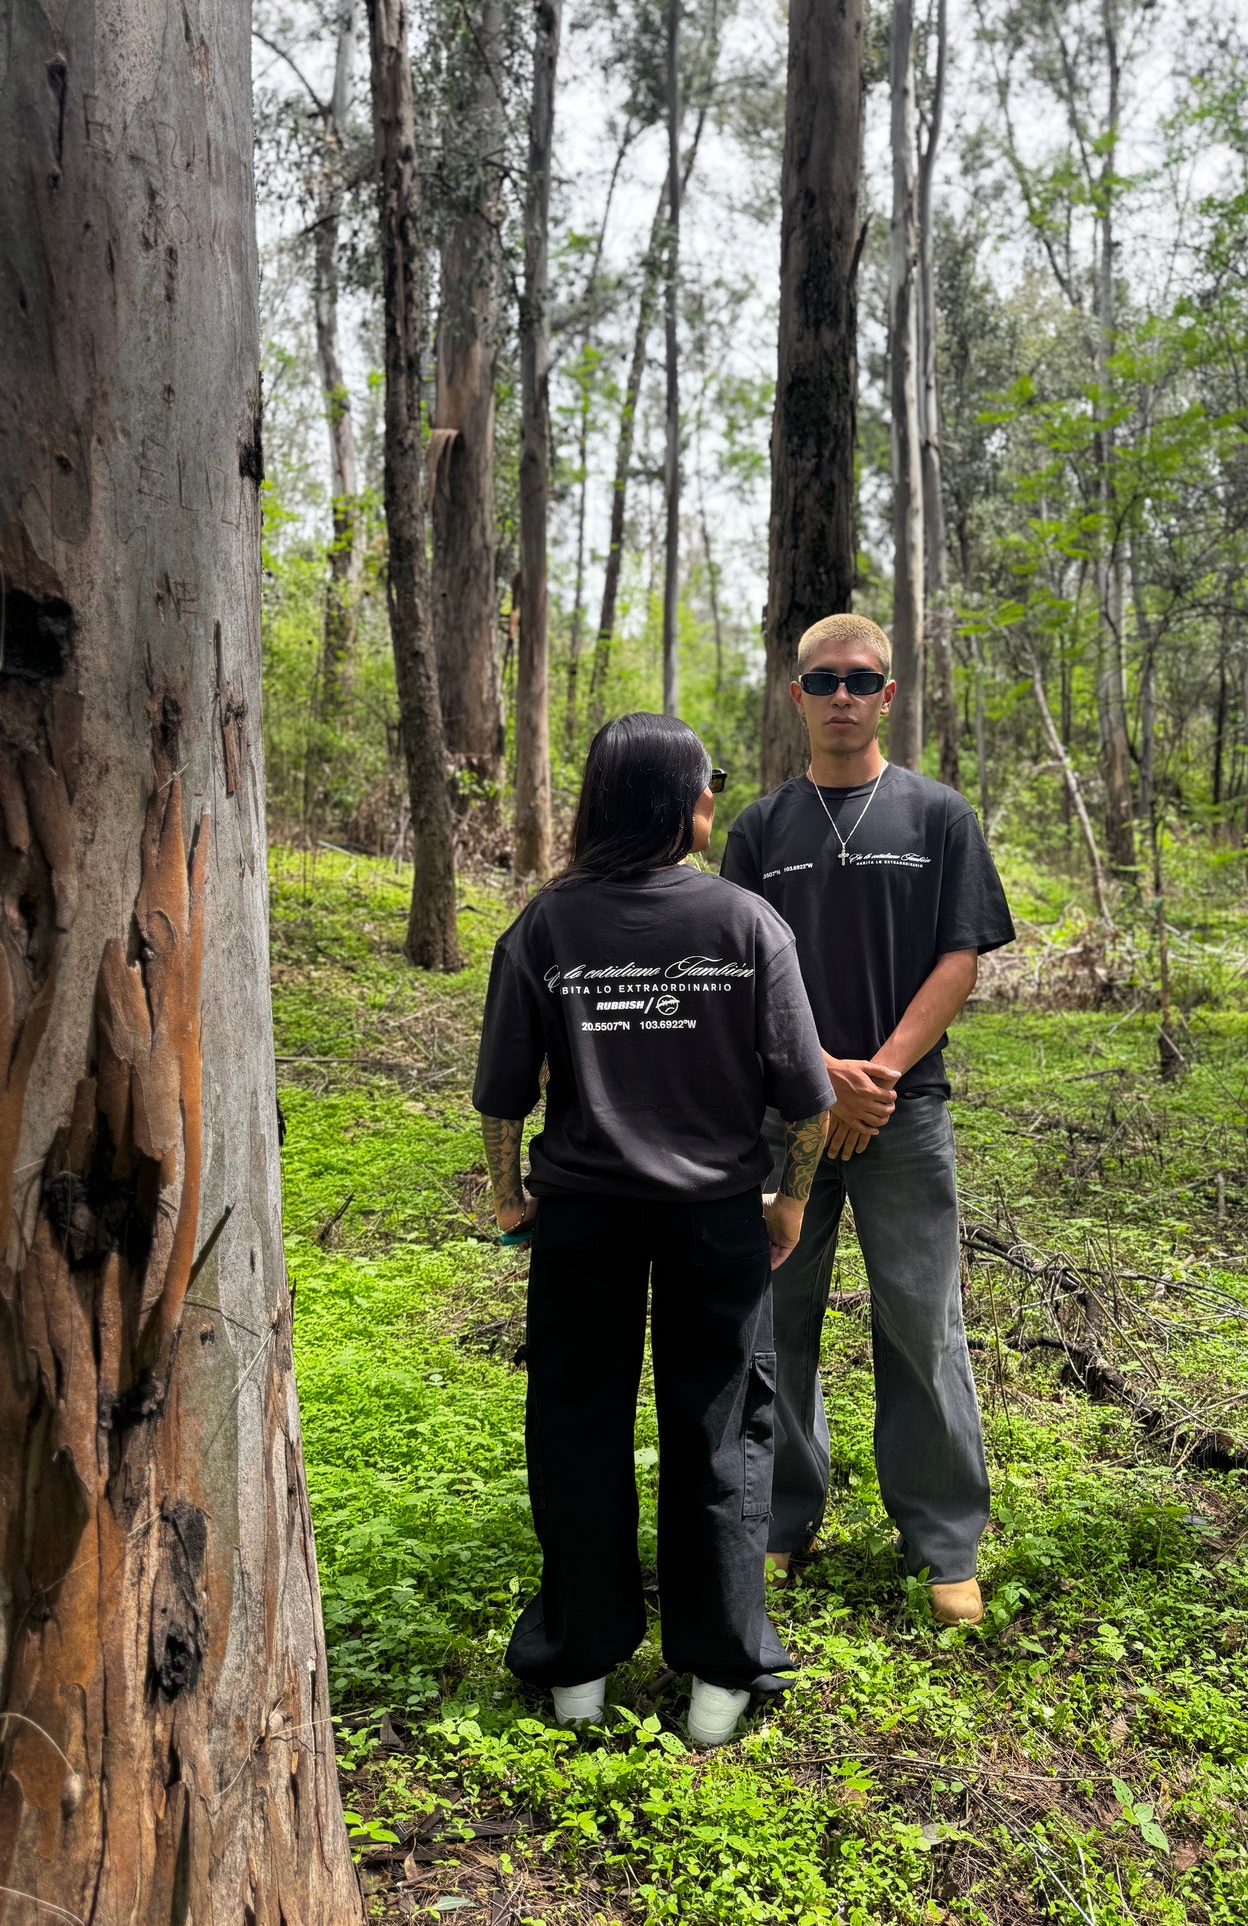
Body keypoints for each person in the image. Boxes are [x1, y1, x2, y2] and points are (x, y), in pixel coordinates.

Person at [473, 713, 834, 1746]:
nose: (713, 800)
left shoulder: (544, 927)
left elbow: (503, 1096)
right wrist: (789, 1202)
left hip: (583, 1220)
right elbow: (806, 1101)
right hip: (713, 1222)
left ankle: (578, 1666)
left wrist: (510, 1204)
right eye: (704, 784)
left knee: (576, 1430)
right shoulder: (747, 924)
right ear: (685, 804)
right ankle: (719, 1683)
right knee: (718, 1434)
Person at [721, 614, 1015, 1626]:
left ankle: (942, 1543)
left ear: (887, 694)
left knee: (920, 1323)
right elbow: (741, 969)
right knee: (772, 1325)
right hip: (781, 1123)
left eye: (860, 680)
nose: (840, 696)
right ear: (794, 695)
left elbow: (960, 956)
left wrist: (878, 1072)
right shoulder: (760, 829)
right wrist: (815, 1079)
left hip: (903, 1113)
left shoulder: (936, 817)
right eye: (821, 680)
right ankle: (778, 1522)